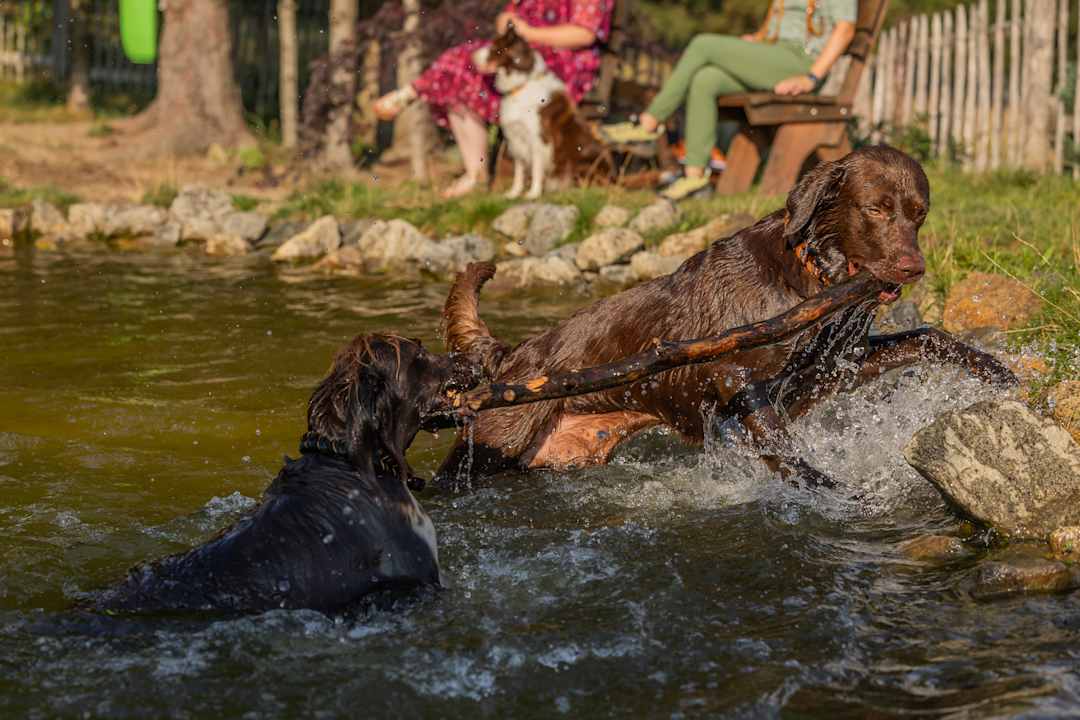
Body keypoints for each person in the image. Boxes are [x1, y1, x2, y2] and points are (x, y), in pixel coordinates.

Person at [603, 0, 856, 201]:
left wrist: (811, 78)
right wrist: (757, 41)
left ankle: (649, 122)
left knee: (702, 44)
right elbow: (787, 23)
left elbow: (845, 29)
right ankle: (695, 175)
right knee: (706, 79)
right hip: (775, 55)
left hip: (801, 62)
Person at [374, 0, 614, 200]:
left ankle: (411, 92)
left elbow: (584, 33)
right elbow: (507, 19)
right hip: (518, 60)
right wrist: (508, 23)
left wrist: (526, 33)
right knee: (458, 71)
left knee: (461, 65)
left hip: (560, 65)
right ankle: (475, 173)